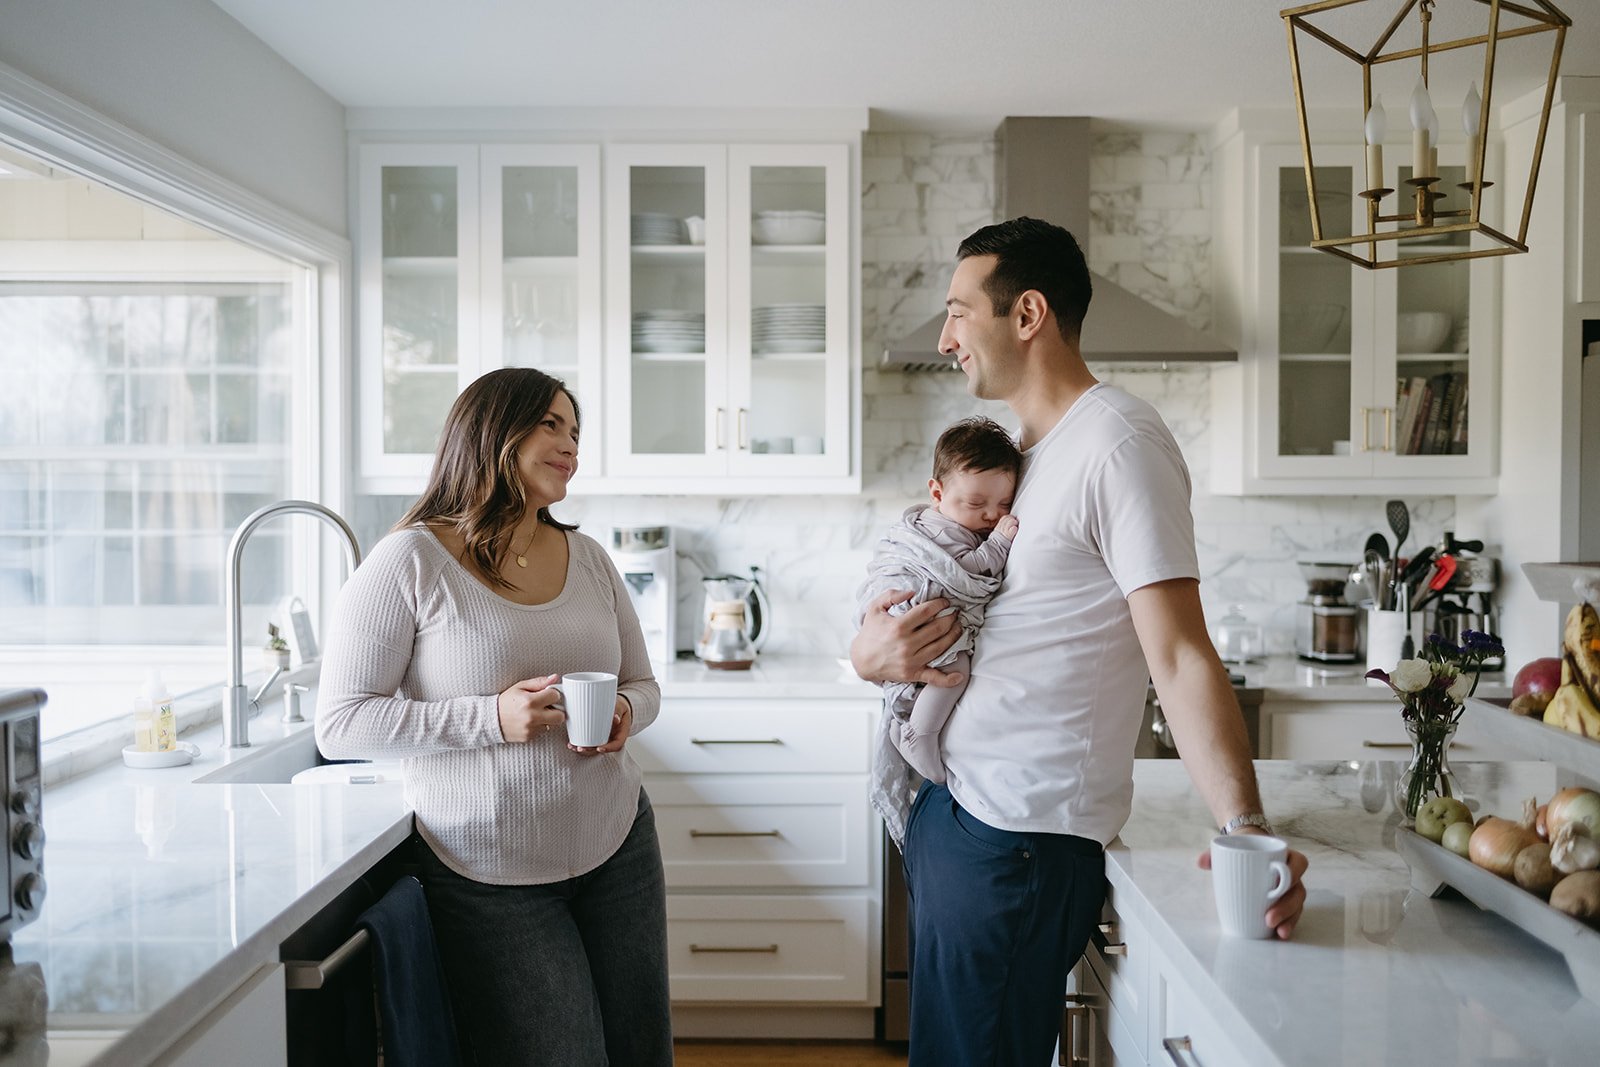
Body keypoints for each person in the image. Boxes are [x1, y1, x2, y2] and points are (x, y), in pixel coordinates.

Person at [851, 218, 1309, 1067]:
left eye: (958, 312)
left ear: (1027, 314)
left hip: (1019, 839)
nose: (946, 338)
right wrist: (872, 655)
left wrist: (1248, 833)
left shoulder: (1119, 443)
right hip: (962, 814)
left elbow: (1179, 653)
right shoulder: (1028, 454)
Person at [316, 367, 671, 1066]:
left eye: (576, 430)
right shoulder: (409, 561)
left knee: (641, 1053)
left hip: (617, 844)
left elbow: (644, 682)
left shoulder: (590, 558)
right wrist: (491, 719)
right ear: (493, 432)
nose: (571, 443)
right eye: (552, 424)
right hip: (488, 869)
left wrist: (627, 709)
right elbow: (341, 722)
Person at [857, 416, 1021, 844]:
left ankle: (910, 725)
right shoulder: (940, 531)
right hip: (918, 604)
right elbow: (964, 572)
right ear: (937, 493)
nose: (990, 516)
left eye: (1004, 505)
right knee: (955, 671)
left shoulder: (964, 520)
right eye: (976, 504)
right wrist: (1000, 543)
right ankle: (919, 734)